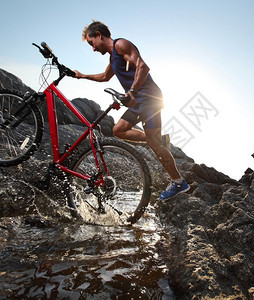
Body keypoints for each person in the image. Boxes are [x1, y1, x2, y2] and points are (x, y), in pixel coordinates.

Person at [74, 21, 189, 200]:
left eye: (92, 43)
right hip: (137, 101)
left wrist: (132, 91)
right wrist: (82, 76)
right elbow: (105, 77)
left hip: (149, 98)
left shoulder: (121, 44)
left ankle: (178, 182)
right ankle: (160, 140)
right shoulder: (113, 57)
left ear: (98, 34)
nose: (93, 49)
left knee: (154, 144)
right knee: (118, 130)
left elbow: (143, 67)